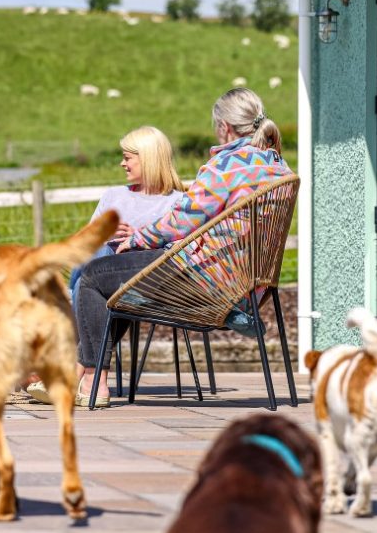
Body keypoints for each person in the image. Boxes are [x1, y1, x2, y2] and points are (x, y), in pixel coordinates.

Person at [69, 87, 290, 407]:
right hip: (248, 287)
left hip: (201, 279)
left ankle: (92, 379)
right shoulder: (278, 167)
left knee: (93, 277)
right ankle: (83, 373)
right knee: (112, 277)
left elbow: (183, 221)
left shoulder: (226, 166)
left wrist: (136, 240)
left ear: (224, 128)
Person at [25, 126, 183, 404]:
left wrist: (140, 240)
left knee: (100, 291)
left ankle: (72, 370)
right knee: (98, 255)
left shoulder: (177, 203)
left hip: (142, 284)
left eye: (128, 157)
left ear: (148, 158)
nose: (122, 163)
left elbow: (173, 256)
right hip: (100, 279)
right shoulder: (114, 195)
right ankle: (86, 376)